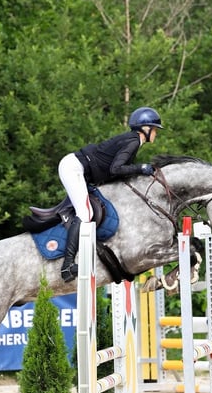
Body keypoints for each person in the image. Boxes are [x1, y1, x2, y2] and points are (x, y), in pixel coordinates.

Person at [57, 106, 163, 282]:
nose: (156, 134)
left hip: (79, 169)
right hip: (73, 168)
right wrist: (142, 168)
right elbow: (116, 169)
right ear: (145, 129)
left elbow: (116, 172)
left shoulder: (133, 141)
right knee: (85, 213)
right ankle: (67, 265)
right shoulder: (134, 141)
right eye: (155, 129)